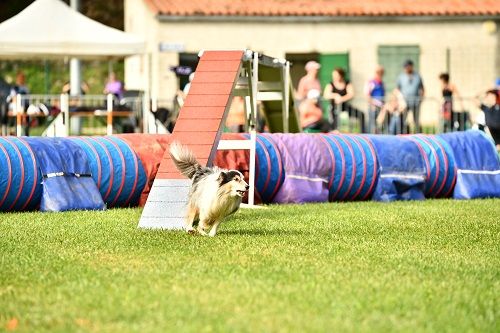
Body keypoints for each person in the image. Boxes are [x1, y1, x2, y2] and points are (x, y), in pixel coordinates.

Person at [323, 67, 365, 132]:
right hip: (334, 108)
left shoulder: (347, 83)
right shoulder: (331, 84)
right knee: (334, 122)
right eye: (333, 75)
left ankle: (363, 131)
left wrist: (342, 99)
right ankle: (334, 133)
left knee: (361, 114)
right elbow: (326, 95)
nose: (334, 77)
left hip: (345, 106)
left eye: (336, 75)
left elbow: (351, 94)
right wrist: (335, 95)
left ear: (341, 75)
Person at [395, 60, 424, 133]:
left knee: (416, 120)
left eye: (408, 66)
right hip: (404, 103)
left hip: (415, 102)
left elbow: (422, 89)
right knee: (402, 120)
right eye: (405, 67)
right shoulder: (401, 77)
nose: (407, 68)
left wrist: (421, 99)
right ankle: (401, 134)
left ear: (411, 66)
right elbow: (397, 89)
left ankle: (419, 135)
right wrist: (399, 100)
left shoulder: (417, 76)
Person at [365, 65, 385, 133]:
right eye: (378, 73)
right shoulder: (371, 83)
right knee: (372, 125)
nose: (380, 75)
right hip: (373, 107)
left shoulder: (381, 83)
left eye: (381, 73)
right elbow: (367, 95)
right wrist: (372, 104)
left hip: (380, 107)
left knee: (379, 125)